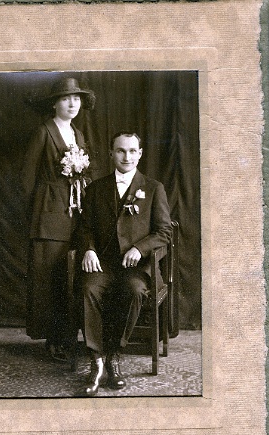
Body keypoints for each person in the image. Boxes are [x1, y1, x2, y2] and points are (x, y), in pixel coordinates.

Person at [78, 131, 172, 396]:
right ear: (111, 153)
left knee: (132, 291)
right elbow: (84, 227)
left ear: (140, 154)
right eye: (120, 151)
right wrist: (88, 249)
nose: (126, 156)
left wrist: (139, 249)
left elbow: (164, 232)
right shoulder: (96, 188)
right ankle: (96, 360)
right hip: (103, 265)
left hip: (136, 268)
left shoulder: (153, 188)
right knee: (89, 289)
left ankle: (114, 355)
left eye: (132, 151)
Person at [21, 77, 95, 361]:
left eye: (76, 98)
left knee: (70, 277)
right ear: (54, 103)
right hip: (49, 214)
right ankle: (53, 340)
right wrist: (37, 212)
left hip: (75, 213)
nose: (72, 103)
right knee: (49, 278)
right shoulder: (44, 131)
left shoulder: (77, 132)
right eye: (65, 98)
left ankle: (68, 336)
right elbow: (27, 178)